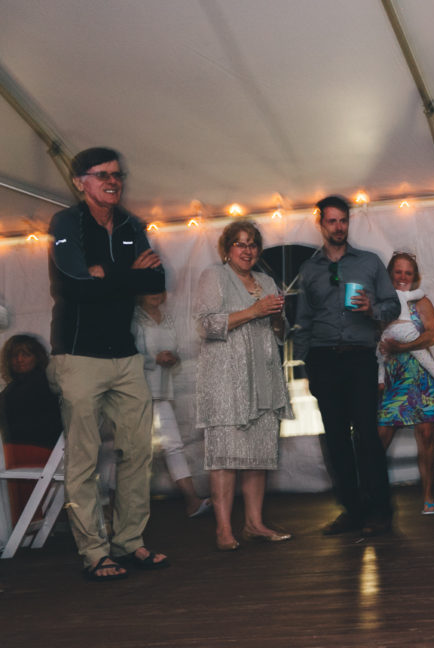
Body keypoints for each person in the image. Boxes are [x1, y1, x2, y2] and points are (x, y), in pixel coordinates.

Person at [47, 147, 168, 582]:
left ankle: (129, 541)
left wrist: (108, 274)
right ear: (81, 181)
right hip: (78, 357)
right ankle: (94, 551)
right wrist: (127, 275)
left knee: (138, 451)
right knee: (84, 459)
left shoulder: (133, 225)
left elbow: (156, 282)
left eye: (118, 174)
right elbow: (77, 284)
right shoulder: (67, 223)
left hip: (126, 356)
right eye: (102, 175)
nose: (113, 181)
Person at [293, 195, 399, 536]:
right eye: (332, 221)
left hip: (359, 359)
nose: (338, 227)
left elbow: (393, 306)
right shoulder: (310, 269)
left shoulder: (369, 262)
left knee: (367, 436)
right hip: (323, 359)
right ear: (320, 223)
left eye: (343, 221)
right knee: (336, 440)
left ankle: (380, 511)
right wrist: (307, 362)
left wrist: (371, 310)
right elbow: (303, 320)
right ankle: (352, 511)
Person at [194, 220, 293, 551]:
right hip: (226, 379)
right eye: (239, 243)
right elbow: (207, 326)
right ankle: (224, 529)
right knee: (225, 455)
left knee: (258, 453)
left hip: (263, 376)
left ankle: (255, 523)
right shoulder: (214, 276)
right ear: (226, 249)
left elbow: (278, 331)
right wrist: (255, 311)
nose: (247, 250)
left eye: (252, 244)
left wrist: (278, 318)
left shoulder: (265, 281)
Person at [378, 253, 434, 515]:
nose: (403, 278)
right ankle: (373, 496)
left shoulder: (422, 302)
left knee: (426, 435)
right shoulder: (382, 304)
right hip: (392, 379)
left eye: (408, 273)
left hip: (421, 377)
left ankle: (429, 496)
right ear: (390, 275)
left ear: (415, 277)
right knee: (380, 437)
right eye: (398, 272)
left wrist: (404, 346)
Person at [134, 292, 211, 518]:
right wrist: (153, 359)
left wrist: (172, 356)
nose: (155, 294)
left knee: (173, 445)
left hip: (160, 389)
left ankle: (192, 501)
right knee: (133, 451)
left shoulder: (167, 319)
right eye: (150, 289)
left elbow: (173, 347)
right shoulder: (133, 318)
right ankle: (119, 509)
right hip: (136, 391)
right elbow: (124, 354)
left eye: (159, 289)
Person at [1, 335, 64, 525]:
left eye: (26, 354)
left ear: (36, 357)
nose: (19, 360)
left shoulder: (37, 384)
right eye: (14, 356)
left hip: (32, 453)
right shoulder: (22, 385)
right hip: (33, 451)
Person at [381, 285, 434, 405]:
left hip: (389, 331)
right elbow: (420, 293)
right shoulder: (401, 293)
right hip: (405, 328)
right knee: (423, 356)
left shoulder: (380, 296)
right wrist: (421, 292)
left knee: (381, 355)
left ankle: (381, 381)